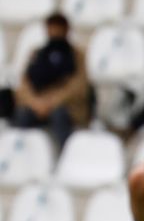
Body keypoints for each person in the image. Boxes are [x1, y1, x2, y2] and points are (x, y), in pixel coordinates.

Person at [13, 13, 90, 152]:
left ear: (66, 30)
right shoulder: (37, 54)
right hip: (37, 104)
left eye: (58, 29)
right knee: (22, 115)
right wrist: (35, 103)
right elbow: (24, 85)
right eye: (52, 29)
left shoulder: (77, 56)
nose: (55, 33)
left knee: (59, 115)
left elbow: (78, 87)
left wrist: (51, 102)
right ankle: (20, 155)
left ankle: (66, 154)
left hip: (65, 107)